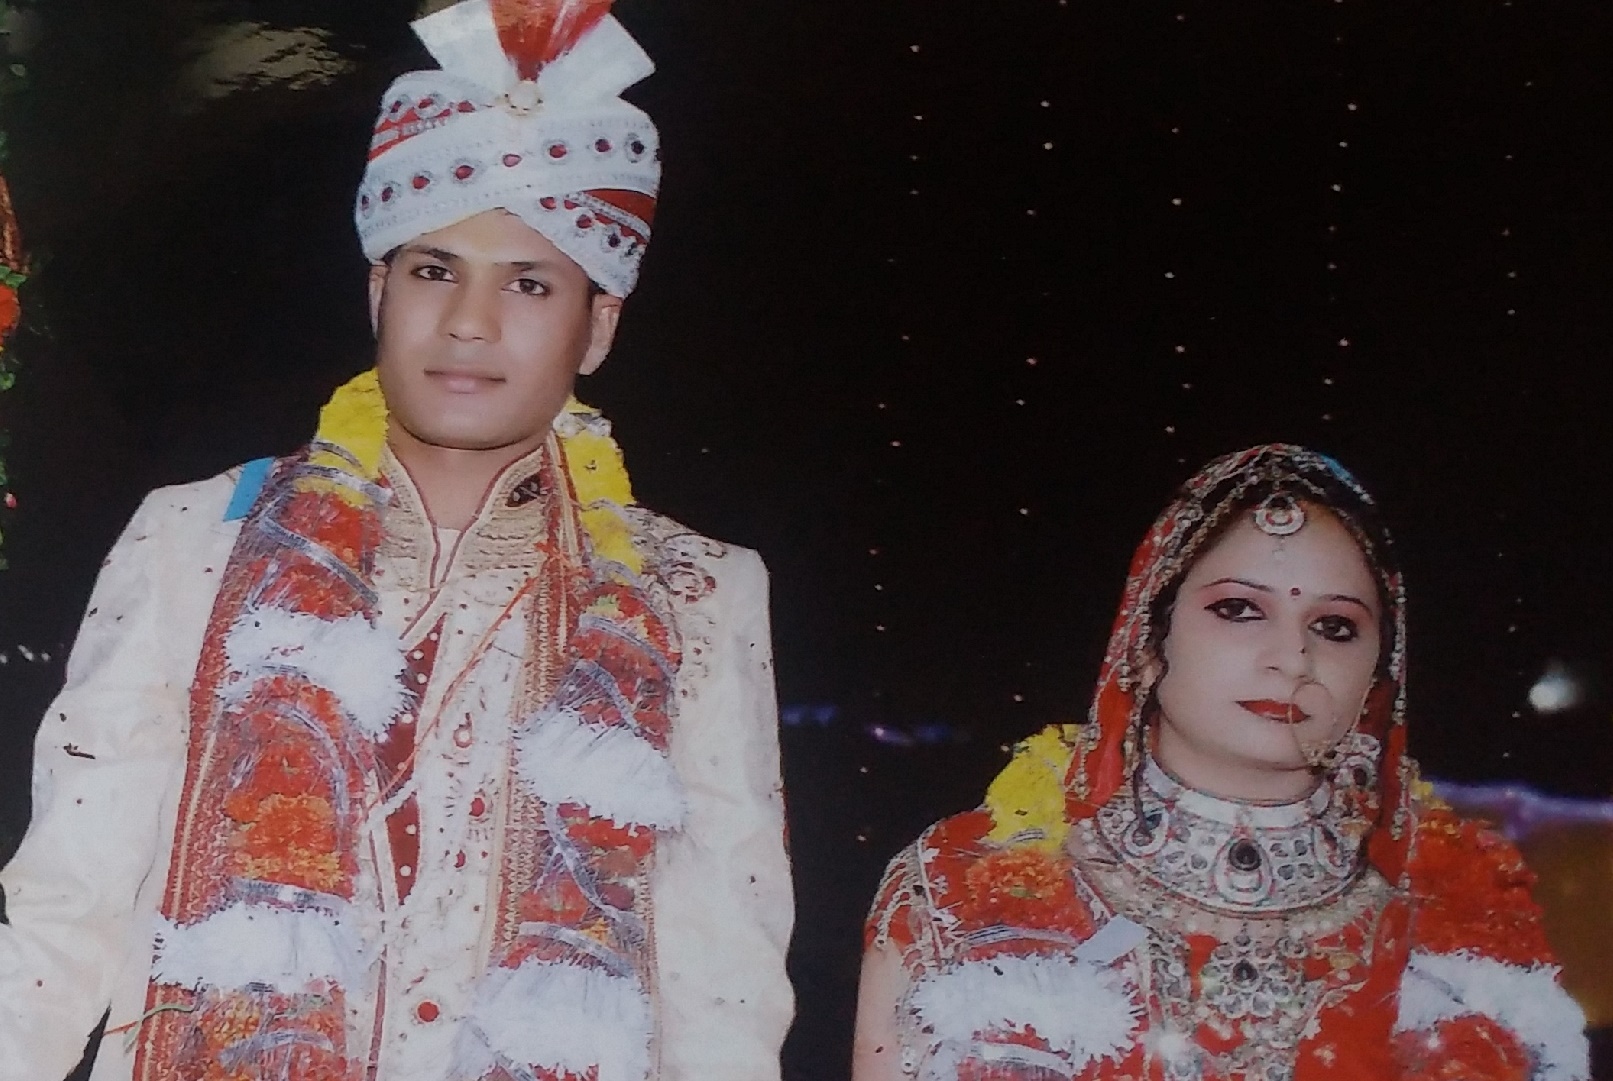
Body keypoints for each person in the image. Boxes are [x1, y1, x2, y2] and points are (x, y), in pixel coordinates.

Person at [0, 2, 794, 1079]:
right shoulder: (194, 539)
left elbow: (722, 985)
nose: (469, 321)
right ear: (379, 290)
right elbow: (65, 910)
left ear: (597, 326)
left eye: (529, 283)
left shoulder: (696, 591)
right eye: (433, 269)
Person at [852, 445, 1588, 1081]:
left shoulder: (1458, 915)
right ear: (1146, 644)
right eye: (1239, 609)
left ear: (1376, 679)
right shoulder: (960, 888)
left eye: (1334, 626)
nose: (1292, 657)